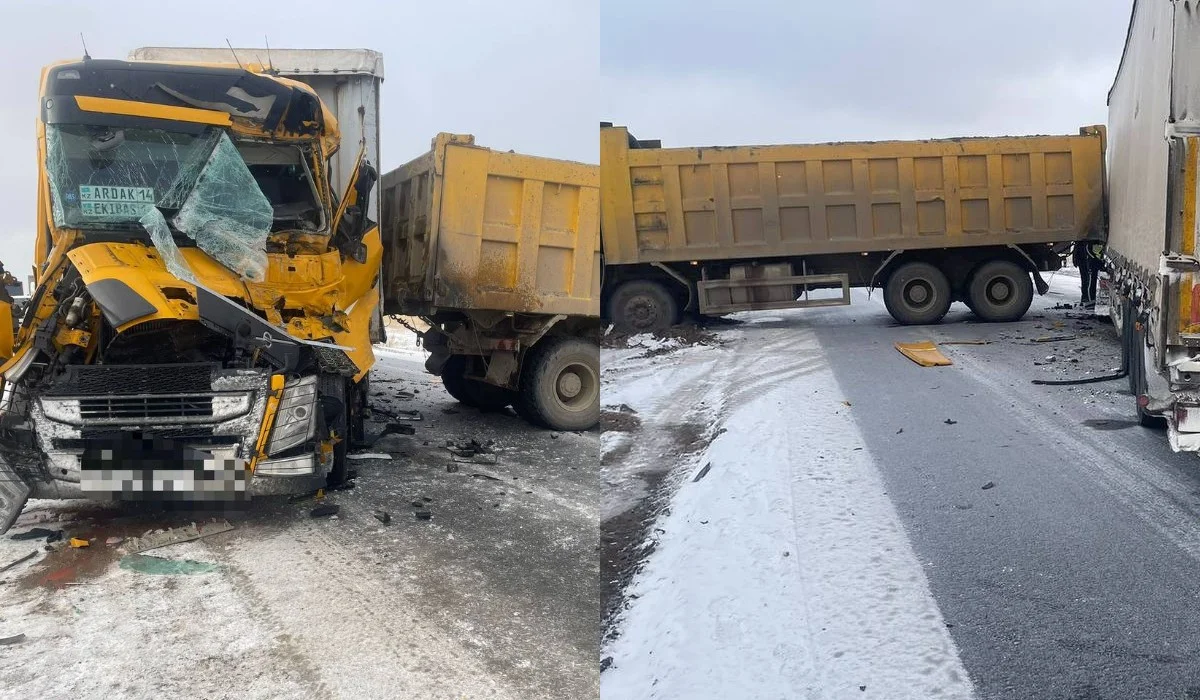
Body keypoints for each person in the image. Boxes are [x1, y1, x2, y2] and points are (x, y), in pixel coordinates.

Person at [1072, 240, 1104, 309]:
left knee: (1087, 280)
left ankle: (1087, 298)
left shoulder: (1083, 240)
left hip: (1087, 261)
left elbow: (1077, 248)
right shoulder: (1091, 241)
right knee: (1089, 281)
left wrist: (1075, 259)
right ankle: (1089, 299)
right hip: (1088, 262)